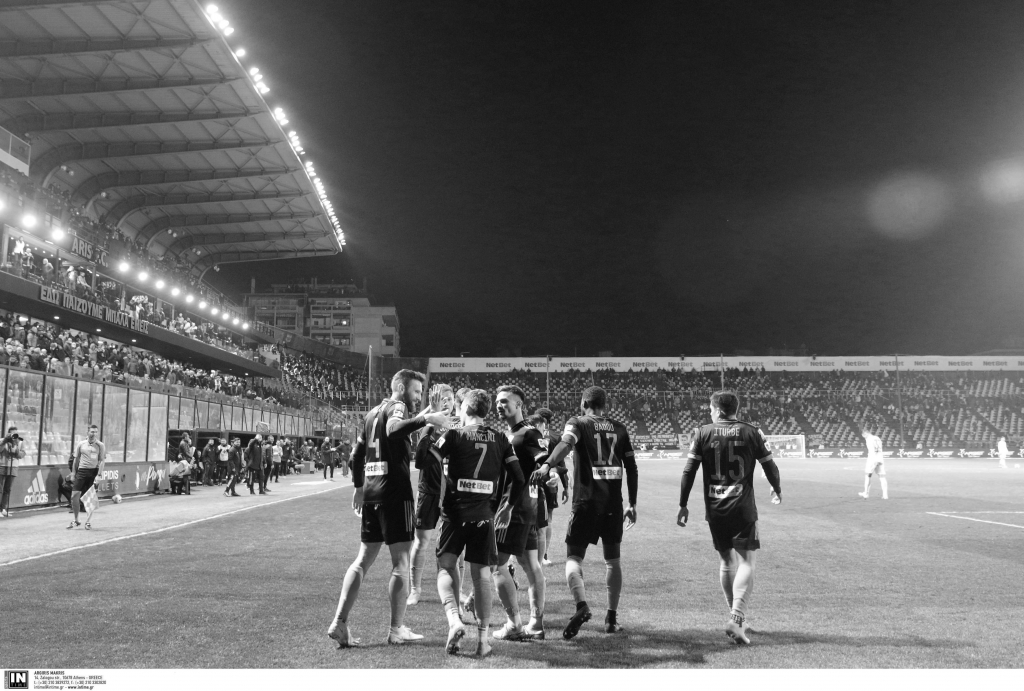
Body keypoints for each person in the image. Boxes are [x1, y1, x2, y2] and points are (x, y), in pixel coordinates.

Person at [326, 369, 449, 648]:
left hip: (372, 495)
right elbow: (395, 428)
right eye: (416, 391)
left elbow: (357, 454)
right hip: (395, 494)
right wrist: (427, 418)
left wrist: (359, 487)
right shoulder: (398, 407)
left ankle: (340, 621)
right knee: (401, 563)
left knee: (362, 561)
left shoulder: (371, 414)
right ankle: (396, 629)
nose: (418, 397)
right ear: (401, 388)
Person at [530, 386, 637, 640]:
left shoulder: (578, 422)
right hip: (613, 503)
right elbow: (632, 467)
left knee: (574, 558)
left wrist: (547, 464)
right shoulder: (620, 428)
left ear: (584, 403)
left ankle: (582, 604)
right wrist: (632, 503)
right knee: (613, 561)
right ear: (605, 405)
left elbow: (566, 444)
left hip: (586, 502)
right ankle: (611, 619)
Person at [677, 390, 782, 645]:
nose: (709, 412)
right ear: (736, 409)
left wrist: (683, 504)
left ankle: (736, 617)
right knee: (747, 561)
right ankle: (737, 617)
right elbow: (770, 466)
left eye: (710, 409)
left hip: (715, 508)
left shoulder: (702, 433)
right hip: (742, 507)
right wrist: (776, 488)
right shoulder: (752, 432)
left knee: (726, 561)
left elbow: (689, 470)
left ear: (717, 409)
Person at [430, 389, 524, 657]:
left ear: (465, 409)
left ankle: (454, 619)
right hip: (484, 516)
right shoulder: (500, 439)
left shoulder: (454, 435)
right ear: (485, 412)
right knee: (482, 576)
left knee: (446, 567)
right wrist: (507, 507)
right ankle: (482, 641)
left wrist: (431, 427)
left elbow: (426, 461)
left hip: (454, 515)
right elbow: (518, 478)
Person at [490, 385, 549, 641]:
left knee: (497, 565)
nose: (499, 405)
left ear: (519, 404)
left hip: (513, 510)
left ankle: (514, 624)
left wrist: (550, 471)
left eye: (505, 401)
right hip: (525, 510)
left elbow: (543, 459)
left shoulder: (528, 433)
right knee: (530, 565)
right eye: (497, 402)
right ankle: (536, 624)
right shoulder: (509, 434)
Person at [408, 383, 456, 606]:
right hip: (429, 491)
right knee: (422, 542)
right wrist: (431, 417)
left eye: (450, 398)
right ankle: (415, 589)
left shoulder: (459, 425)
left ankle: (452, 589)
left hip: (453, 494)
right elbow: (419, 454)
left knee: (453, 546)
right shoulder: (427, 423)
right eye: (442, 398)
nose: (446, 402)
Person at [530, 410, 569, 566]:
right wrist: (566, 487)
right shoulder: (555, 437)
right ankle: (544, 555)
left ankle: (523, 553)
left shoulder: (529, 435)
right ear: (549, 421)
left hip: (532, 480)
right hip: (550, 480)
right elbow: (561, 462)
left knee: (530, 517)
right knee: (548, 519)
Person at [68, 424, 106, 530]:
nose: (94, 434)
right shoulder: (81, 444)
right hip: (81, 472)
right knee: (74, 496)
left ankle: (88, 522)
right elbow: (76, 459)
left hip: (93, 472)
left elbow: (102, 461)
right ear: (87, 432)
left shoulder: (100, 445)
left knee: (90, 498)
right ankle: (76, 520)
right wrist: (73, 473)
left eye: (96, 432)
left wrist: (99, 475)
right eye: (92, 432)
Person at [0, 426, 26, 518]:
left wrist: (16, 451)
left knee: (7, 489)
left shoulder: (20, 442)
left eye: (16, 433)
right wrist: (5, 441)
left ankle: (3, 509)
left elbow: (22, 454)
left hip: (13, 467)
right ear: (8, 433)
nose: (14, 435)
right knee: (0, 489)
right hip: (2, 466)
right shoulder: (2, 440)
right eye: (12, 433)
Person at [859, 428, 888, 499]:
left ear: (865, 434)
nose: (864, 438)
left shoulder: (868, 439)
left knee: (868, 475)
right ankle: (885, 495)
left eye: (864, 436)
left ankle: (866, 493)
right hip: (880, 459)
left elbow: (871, 450)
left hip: (872, 459)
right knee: (882, 477)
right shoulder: (877, 438)